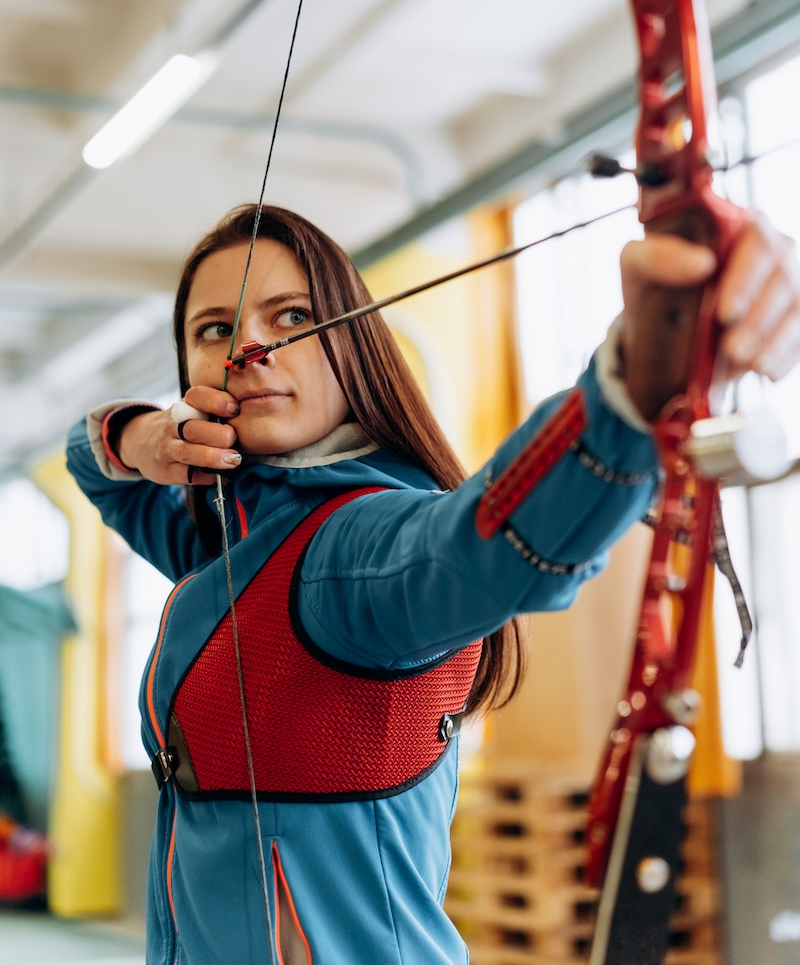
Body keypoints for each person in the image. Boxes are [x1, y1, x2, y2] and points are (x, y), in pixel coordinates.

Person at [66, 203, 800, 965]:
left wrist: (639, 376)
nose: (250, 346)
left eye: (291, 317)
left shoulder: (349, 557)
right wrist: (138, 435)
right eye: (214, 330)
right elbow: (91, 466)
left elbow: (484, 545)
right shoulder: (226, 539)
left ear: (352, 345)